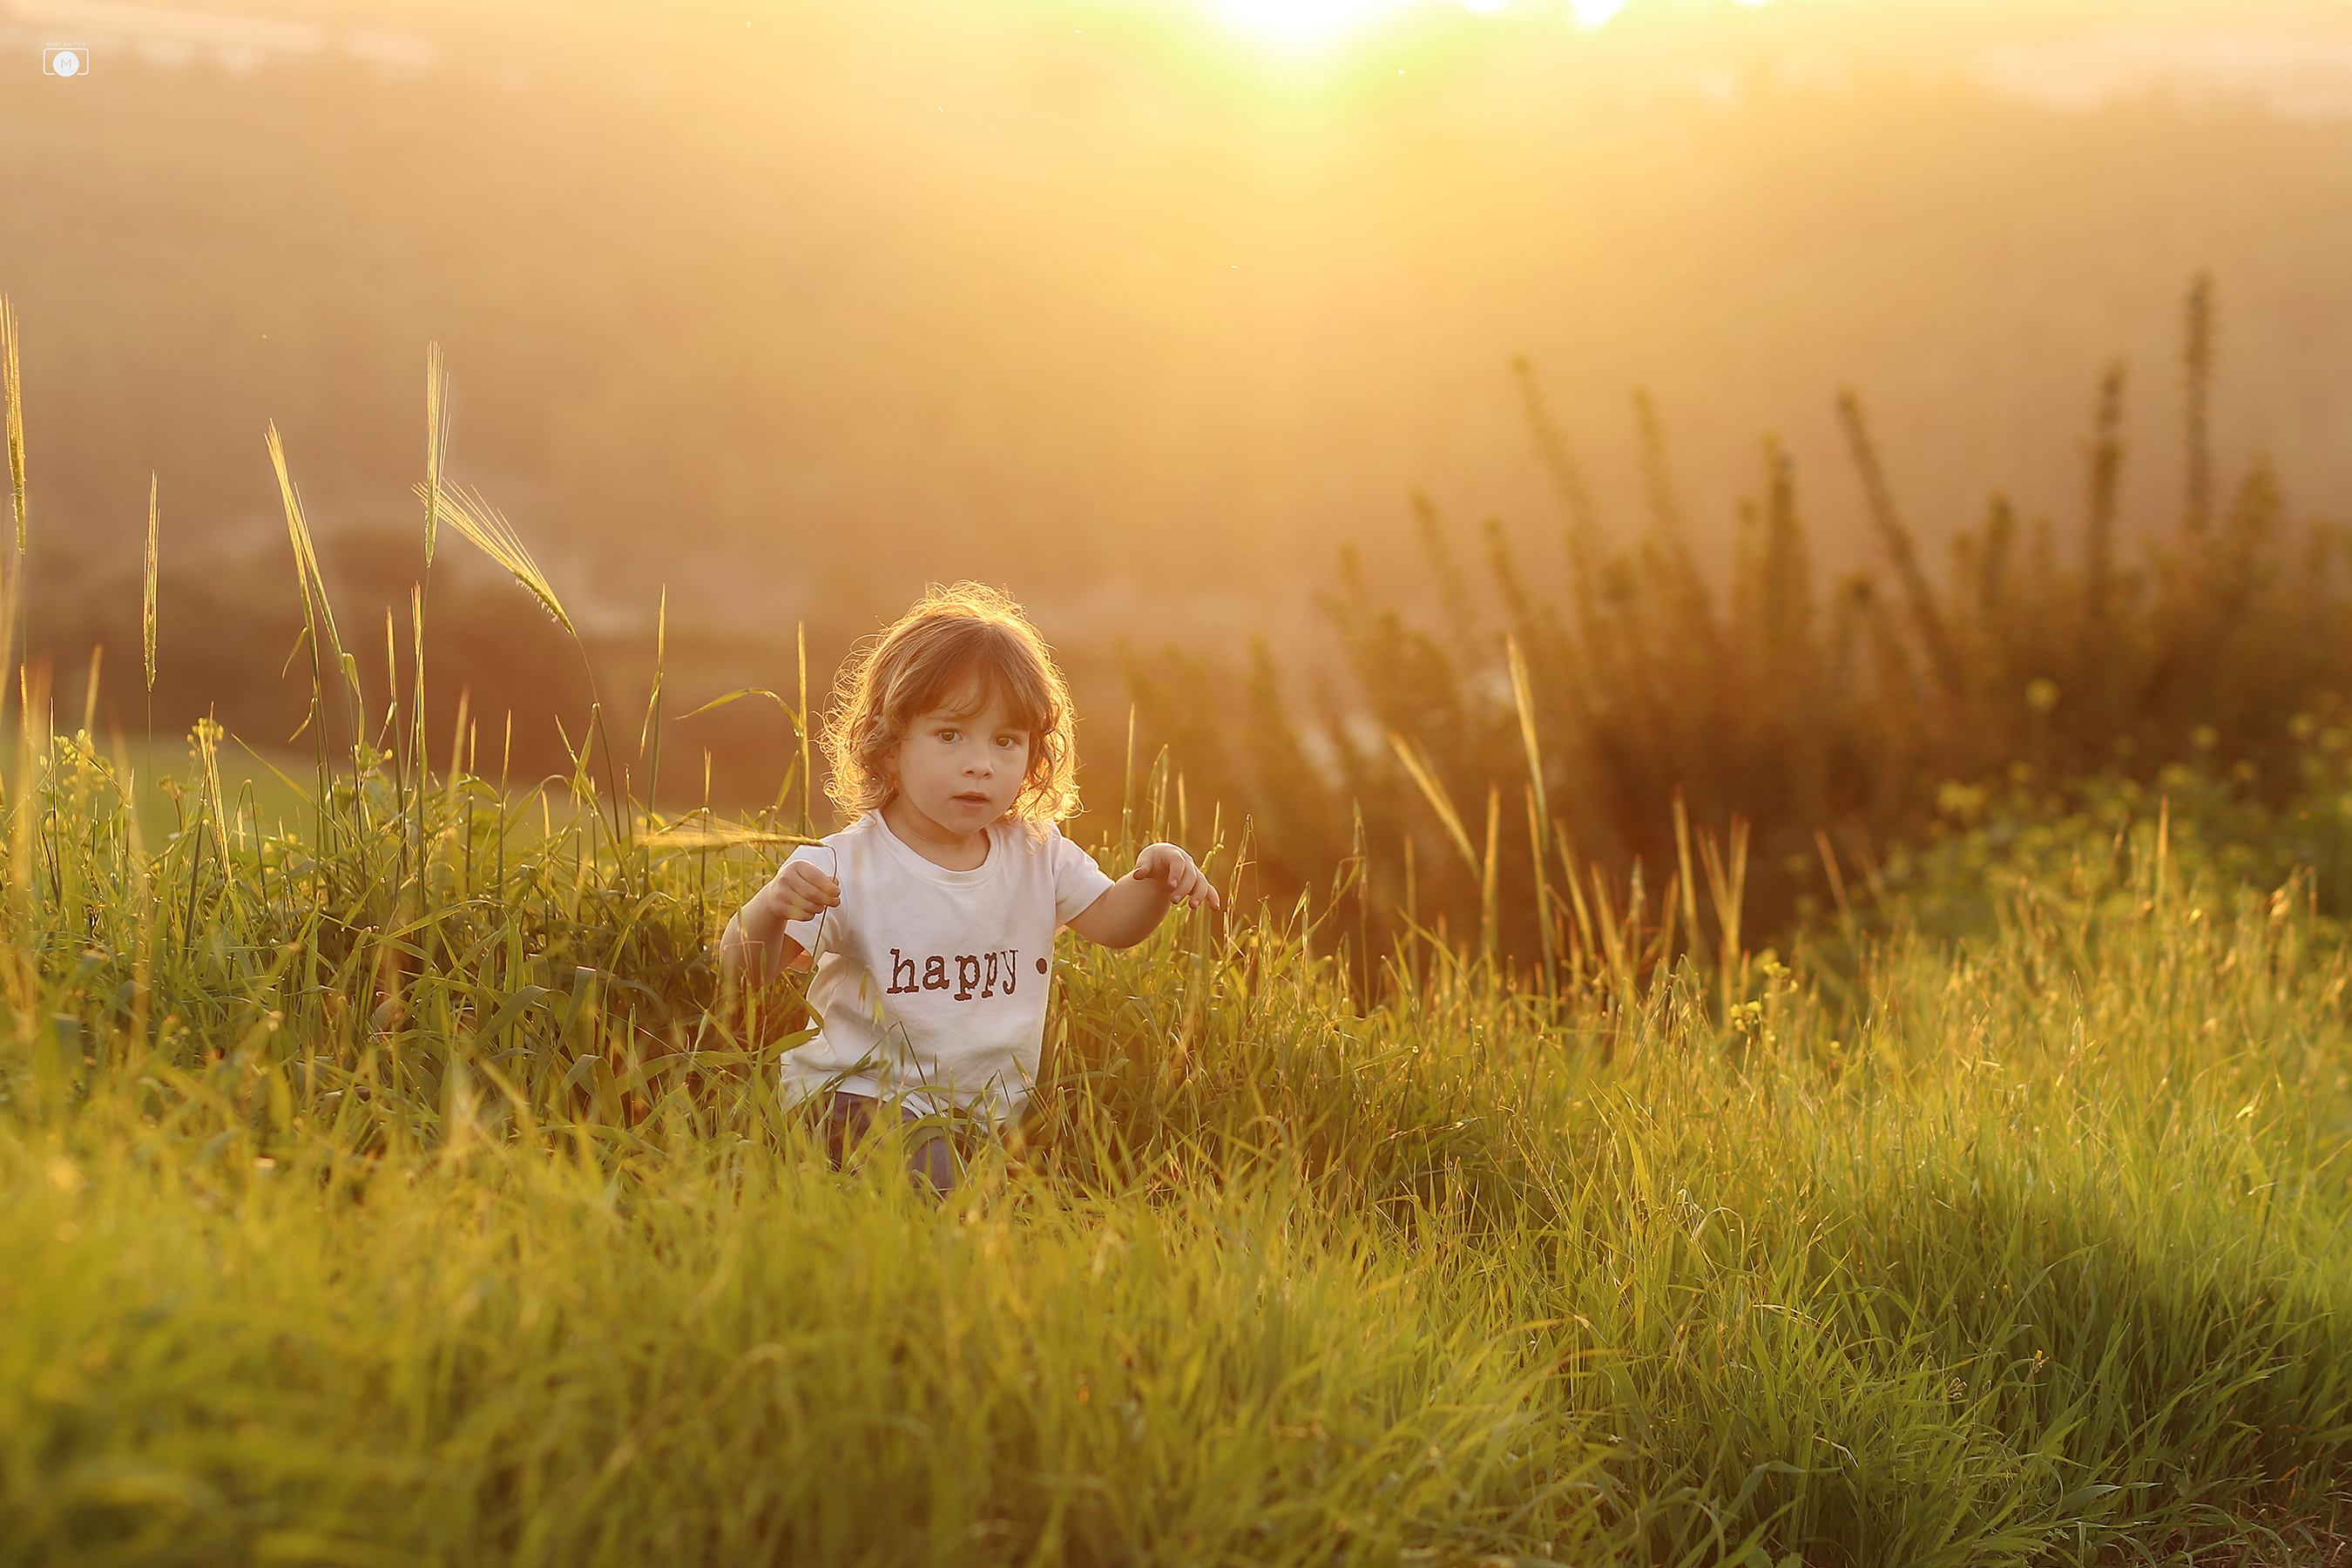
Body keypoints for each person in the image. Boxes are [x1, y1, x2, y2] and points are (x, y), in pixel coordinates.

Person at [719, 583, 1220, 1193]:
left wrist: (1155, 877)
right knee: (934, 1182)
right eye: (951, 735)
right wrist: (770, 909)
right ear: (888, 746)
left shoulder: (1036, 852)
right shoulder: (846, 866)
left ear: (1034, 756)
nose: (980, 763)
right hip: (853, 1100)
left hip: (977, 1117)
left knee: (993, 1184)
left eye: (1005, 741)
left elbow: (1114, 923)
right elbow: (743, 975)